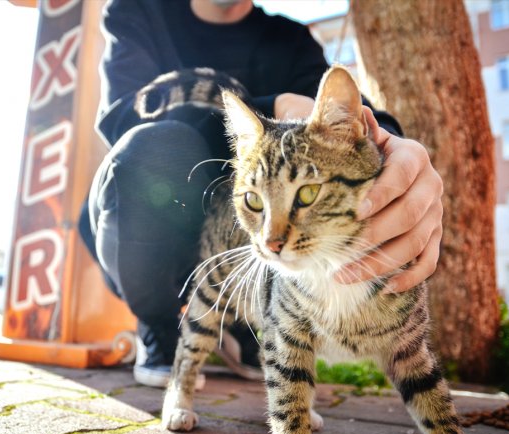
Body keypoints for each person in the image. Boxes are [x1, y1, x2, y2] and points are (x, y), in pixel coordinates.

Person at [79, 0, 444, 388]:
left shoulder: (288, 39)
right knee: (157, 148)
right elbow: (126, 117)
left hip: (250, 242)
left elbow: (353, 116)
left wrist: (395, 148)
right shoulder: (136, 11)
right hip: (150, 216)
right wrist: (272, 107)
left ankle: (247, 327)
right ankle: (159, 324)